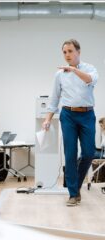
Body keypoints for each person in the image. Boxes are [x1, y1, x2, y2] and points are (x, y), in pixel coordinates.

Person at [42, 39, 98, 206]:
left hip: (87, 115)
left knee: (89, 153)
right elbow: (54, 98)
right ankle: (73, 194)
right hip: (68, 115)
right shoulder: (59, 74)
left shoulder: (90, 69)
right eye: (64, 52)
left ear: (78, 52)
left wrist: (73, 70)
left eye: (70, 51)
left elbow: (90, 80)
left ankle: (76, 185)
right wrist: (47, 119)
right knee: (70, 154)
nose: (67, 55)